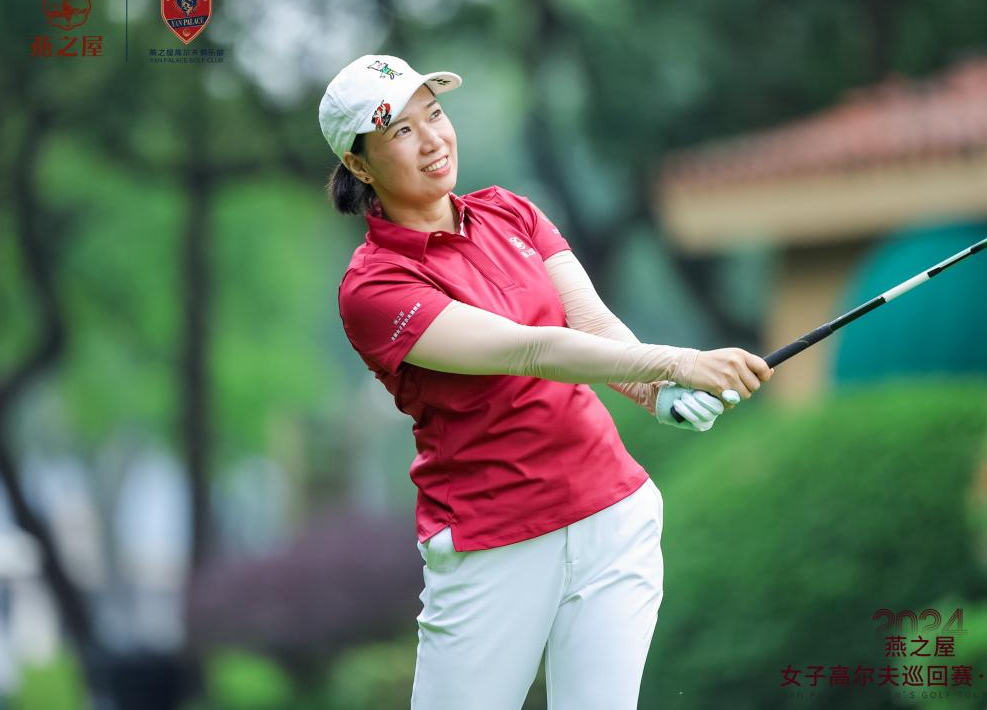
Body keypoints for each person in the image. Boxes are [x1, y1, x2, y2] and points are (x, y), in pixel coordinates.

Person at [318, 53, 773, 710]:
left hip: (611, 514)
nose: (433, 140)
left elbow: (591, 323)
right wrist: (678, 362)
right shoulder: (375, 287)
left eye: (435, 115)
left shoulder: (511, 213)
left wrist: (658, 394)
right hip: (493, 539)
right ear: (360, 166)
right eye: (402, 131)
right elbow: (529, 349)